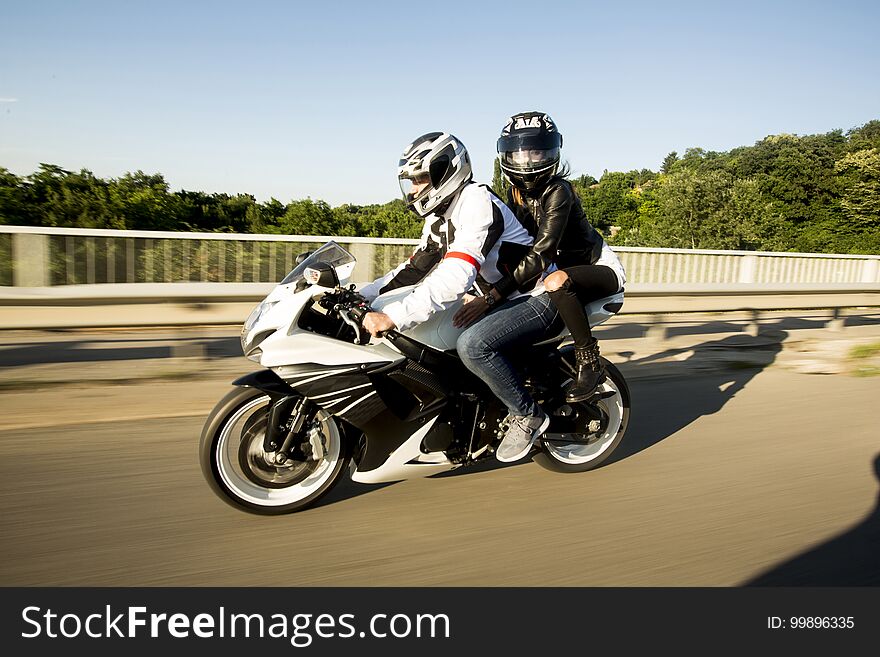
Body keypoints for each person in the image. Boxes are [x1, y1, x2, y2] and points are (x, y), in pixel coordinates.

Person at [453, 111, 625, 463]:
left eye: (537, 153)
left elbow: (541, 253)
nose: (528, 162)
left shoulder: (559, 191)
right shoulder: (512, 192)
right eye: (520, 154)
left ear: (553, 154)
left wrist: (493, 295)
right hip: (554, 273)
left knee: (556, 280)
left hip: (594, 270)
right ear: (506, 156)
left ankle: (587, 359)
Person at [359, 132, 534, 349]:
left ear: (445, 173)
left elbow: (457, 274)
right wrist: (362, 294)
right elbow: (415, 268)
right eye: (411, 182)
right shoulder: (439, 214)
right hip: (496, 296)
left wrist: (394, 317)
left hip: (529, 295)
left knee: (472, 347)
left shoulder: (476, 201)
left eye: (420, 179)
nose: (413, 190)